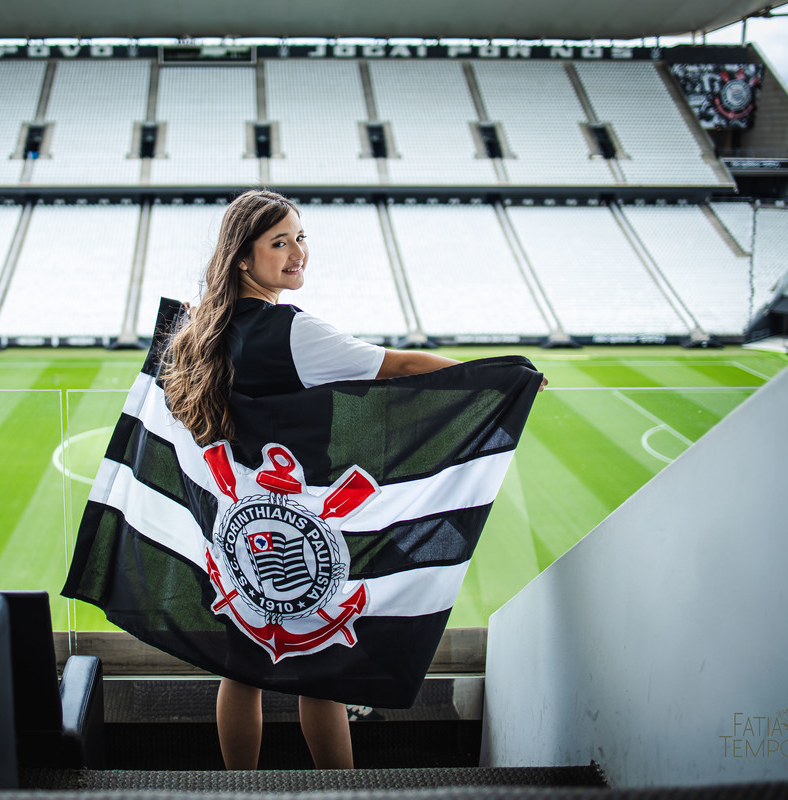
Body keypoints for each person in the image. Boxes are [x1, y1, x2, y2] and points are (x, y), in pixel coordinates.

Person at [162, 189, 544, 770]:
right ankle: (340, 790)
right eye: (280, 242)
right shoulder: (293, 332)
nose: (298, 253)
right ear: (244, 257)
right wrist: (500, 379)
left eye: (300, 237)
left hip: (236, 527)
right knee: (322, 676)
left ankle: (238, 788)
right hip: (301, 530)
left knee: (240, 668)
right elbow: (404, 367)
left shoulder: (199, 331)